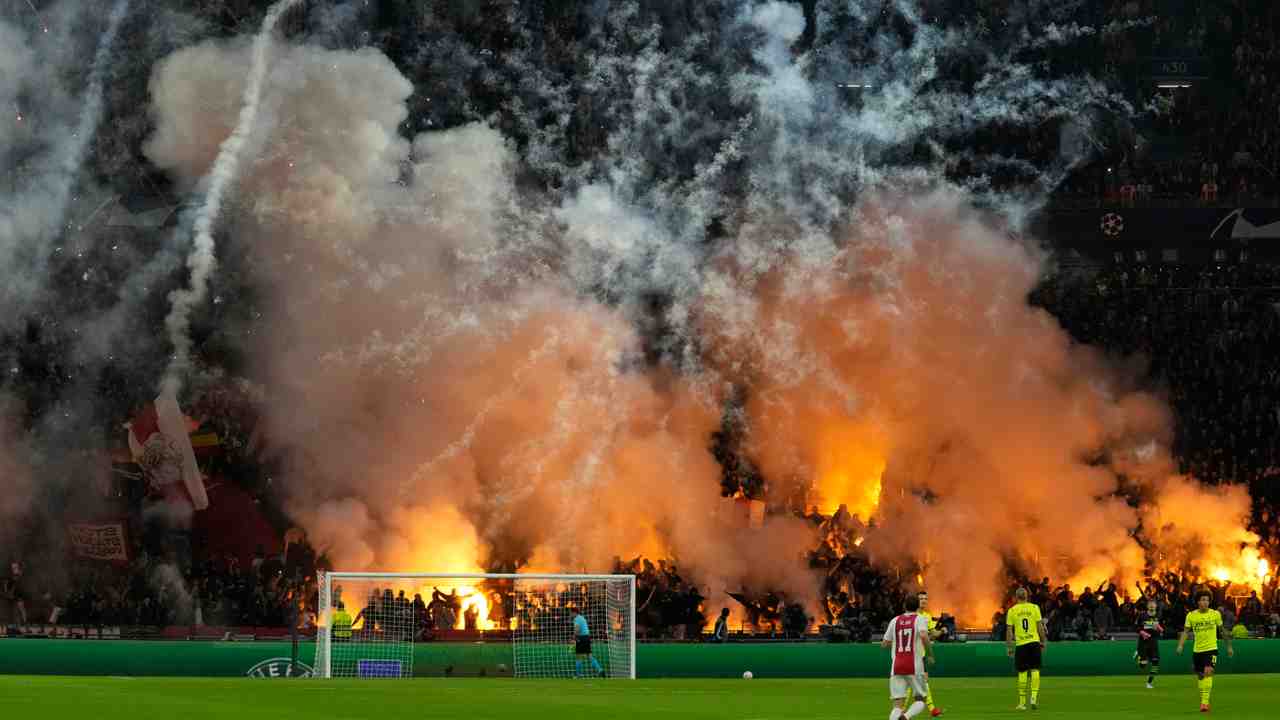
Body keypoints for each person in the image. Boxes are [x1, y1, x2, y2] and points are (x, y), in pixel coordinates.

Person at [1177, 592, 1234, 713]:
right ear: (1198, 602)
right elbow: (1186, 632)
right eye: (1202, 600)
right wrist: (1181, 645)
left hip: (1211, 648)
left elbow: (1222, 631)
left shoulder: (1215, 614)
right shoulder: (1191, 616)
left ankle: (1205, 702)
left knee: (1208, 671)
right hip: (1197, 650)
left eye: (1207, 600)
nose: (1205, 602)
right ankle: (1203, 698)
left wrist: (1229, 646)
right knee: (1200, 675)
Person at [880, 593, 934, 720]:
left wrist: (898, 640)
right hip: (914, 665)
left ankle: (900, 716)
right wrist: (930, 654)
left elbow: (884, 644)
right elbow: (924, 636)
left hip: (897, 666)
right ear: (917, 606)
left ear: (904, 606)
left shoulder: (895, 620)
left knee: (897, 705)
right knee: (920, 699)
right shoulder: (920, 618)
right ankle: (906, 717)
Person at [1006, 587, 1048, 711]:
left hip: (1021, 644)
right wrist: (1043, 640)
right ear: (1027, 596)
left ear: (1016, 597)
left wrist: (1009, 647)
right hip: (1034, 643)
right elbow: (1039, 626)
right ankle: (1033, 698)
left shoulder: (1012, 611)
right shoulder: (1034, 608)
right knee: (1035, 670)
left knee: (1022, 672)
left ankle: (1022, 702)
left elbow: (1009, 631)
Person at [905, 592, 944, 717]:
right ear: (916, 601)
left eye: (925, 599)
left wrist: (942, 630)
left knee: (920, 681)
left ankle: (931, 708)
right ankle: (930, 708)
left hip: (920, 655)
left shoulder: (927, 616)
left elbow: (931, 634)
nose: (923, 601)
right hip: (910, 654)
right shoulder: (910, 615)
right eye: (921, 599)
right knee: (915, 682)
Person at [1135, 599, 1163, 688]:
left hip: (1153, 642)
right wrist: (1142, 632)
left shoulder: (1159, 615)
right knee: (1143, 665)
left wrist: (1160, 629)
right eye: (1150, 604)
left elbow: (1161, 627)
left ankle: (1149, 683)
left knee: (1156, 662)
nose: (1151, 605)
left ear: (1156, 606)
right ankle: (1139, 655)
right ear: (1147, 606)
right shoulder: (1142, 615)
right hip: (1143, 642)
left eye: (1153, 604)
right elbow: (1135, 627)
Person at [572, 608, 604, 678]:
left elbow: (577, 629)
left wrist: (574, 638)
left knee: (578, 656)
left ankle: (578, 674)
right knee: (589, 655)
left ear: (574, 612)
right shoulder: (582, 618)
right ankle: (600, 669)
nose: (571, 615)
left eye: (572, 613)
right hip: (587, 637)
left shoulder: (576, 619)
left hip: (581, 638)